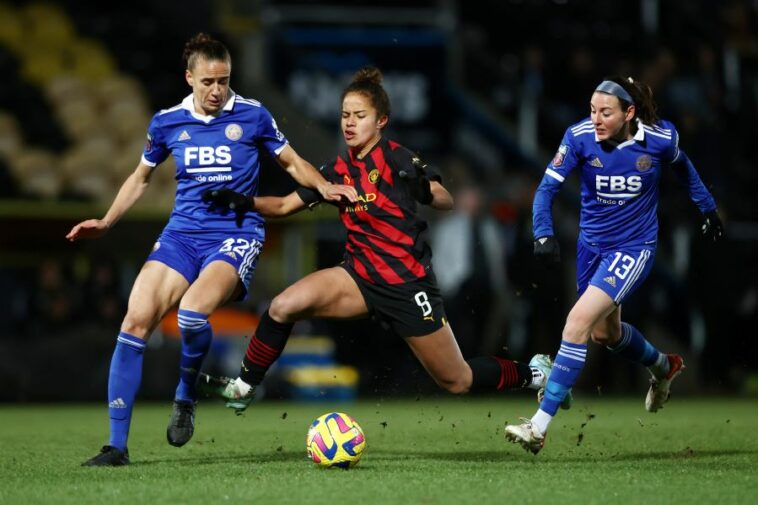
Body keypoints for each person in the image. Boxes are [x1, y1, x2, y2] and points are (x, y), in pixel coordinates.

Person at [198, 66, 571, 416]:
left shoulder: (398, 159)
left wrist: (422, 186)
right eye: (345, 114)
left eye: (359, 116)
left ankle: (536, 373)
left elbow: (446, 199)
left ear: (381, 121)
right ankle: (246, 386)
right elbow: (282, 205)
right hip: (358, 277)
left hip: (407, 284)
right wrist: (242, 202)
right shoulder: (336, 170)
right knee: (282, 306)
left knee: (458, 380)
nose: (349, 122)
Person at [66, 33, 356, 466]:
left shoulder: (253, 114)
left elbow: (292, 162)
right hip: (182, 234)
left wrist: (324, 185)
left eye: (224, 80)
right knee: (135, 318)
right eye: (207, 82)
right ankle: (116, 447)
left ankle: (185, 394)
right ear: (189, 78)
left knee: (191, 312)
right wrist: (107, 221)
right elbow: (141, 178)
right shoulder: (166, 122)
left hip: (235, 234)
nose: (217, 90)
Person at [505, 76, 724, 454]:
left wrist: (708, 208)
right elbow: (546, 188)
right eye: (592, 110)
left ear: (629, 113)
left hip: (634, 247)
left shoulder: (659, 139)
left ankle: (539, 426)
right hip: (592, 248)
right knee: (604, 335)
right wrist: (543, 233)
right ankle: (661, 365)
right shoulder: (578, 136)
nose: (597, 119)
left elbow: (684, 167)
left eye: (606, 112)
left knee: (576, 323)